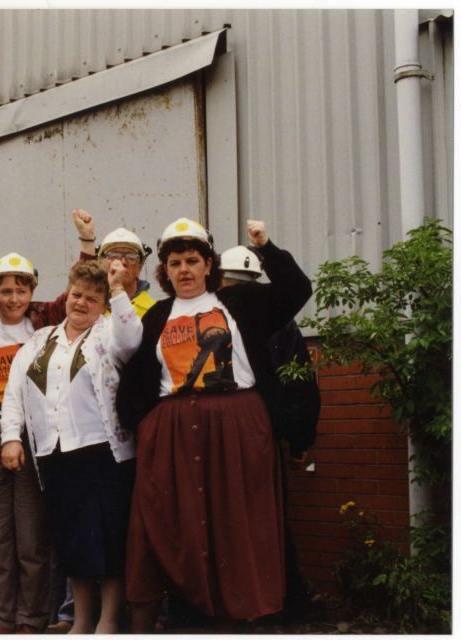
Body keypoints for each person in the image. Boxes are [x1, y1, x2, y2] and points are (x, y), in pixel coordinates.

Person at [116, 218, 312, 631]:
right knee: (183, 522)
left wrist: (266, 247)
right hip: (174, 430)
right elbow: (134, 374)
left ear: (209, 264)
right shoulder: (158, 316)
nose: (184, 269)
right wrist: (147, 425)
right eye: (174, 263)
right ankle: (193, 613)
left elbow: (297, 290)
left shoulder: (239, 302)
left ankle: (244, 615)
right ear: (164, 271)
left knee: (237, 520)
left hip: (237, 425)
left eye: (192, 260)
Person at [0, 209, 96, 634]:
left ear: (32, 291)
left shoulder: (45, 320)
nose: (13, 298)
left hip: (35, 437)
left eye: (20, 290)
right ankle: (2, 621)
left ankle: (32, 620)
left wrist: (87, 241)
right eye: (5, 290)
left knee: (33, 540)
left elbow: (81, 285)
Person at [0, 259, 142, 634]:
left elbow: (133, 341)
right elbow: (14, 393)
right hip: (54, 456)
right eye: (77, 295)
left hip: (104, 454)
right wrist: (11, 437)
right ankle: (80, 621)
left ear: (102, 305)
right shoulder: (39, 339)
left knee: (109, 540)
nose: (81, 304)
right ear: (68, 293)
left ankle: (108, 621)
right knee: (73, 542)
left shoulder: (110, 332)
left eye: (92, 299)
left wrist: (116, 290)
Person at [219, 244, 321, 621]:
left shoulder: (215, 319)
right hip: (266, 434)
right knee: (270, 520)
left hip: (237, 434)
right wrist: (300, 440)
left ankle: (254, 604)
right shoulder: (281, 322)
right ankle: (284, 602)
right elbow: (302, 387)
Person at [97, 227, 155, 317]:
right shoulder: (91, 308)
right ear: (102, 265)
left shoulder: (154, 311)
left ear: (139, 268)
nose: (123, 262)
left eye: (131, 257)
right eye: (114, 255)